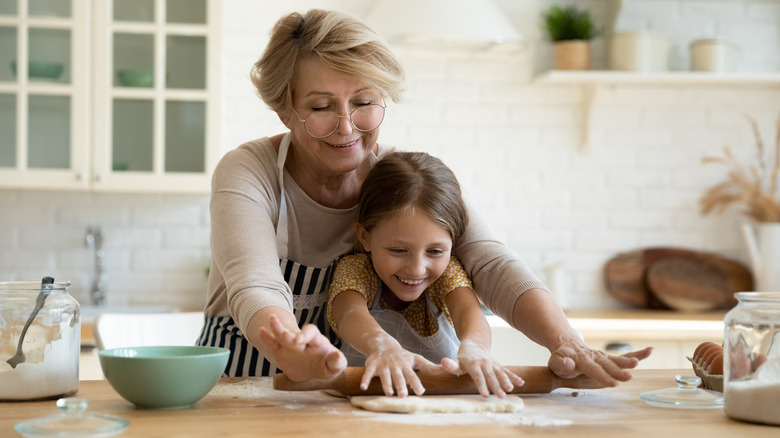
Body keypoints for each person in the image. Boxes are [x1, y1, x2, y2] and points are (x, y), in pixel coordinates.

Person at [197, 8, 652, 385]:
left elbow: (488, 261)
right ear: (284, 110)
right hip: (239, 384)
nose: (347, 126)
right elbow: (254, 283)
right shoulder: (249, 170)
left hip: (330, 388)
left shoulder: (398, 179)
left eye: (364, 101)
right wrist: (292, 348)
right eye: (320, 107)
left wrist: (566, 342)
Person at [327, 151, 524, 397]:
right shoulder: (356, 270)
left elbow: (468, 312)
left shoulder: (446, 274)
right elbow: (349, 314)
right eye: (399, 250)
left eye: (435, 251)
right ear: (365, 236)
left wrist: (475, 347)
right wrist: (383, 347)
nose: (417, 269)